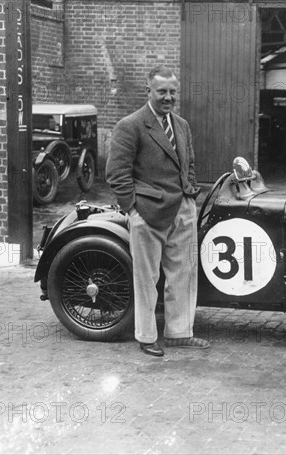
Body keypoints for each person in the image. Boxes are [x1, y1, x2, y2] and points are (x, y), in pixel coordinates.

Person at [106, 65, 209, 357]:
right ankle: (147, 336)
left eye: (172, 92)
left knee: (183, 274)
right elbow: (116, 173)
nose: (168, 97)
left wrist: (190, 193)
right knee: (146, 277)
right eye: (161, 91)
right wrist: (132, 210)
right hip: (148, 213)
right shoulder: (131, 125)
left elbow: (188, 162)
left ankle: (178, 333)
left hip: (182, 210)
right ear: (148, 90)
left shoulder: (182, 125)